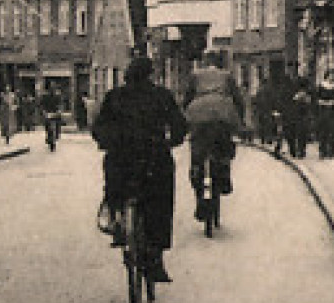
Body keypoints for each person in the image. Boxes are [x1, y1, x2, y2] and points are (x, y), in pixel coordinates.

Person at [92, 54, 189, 283]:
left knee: (114, 184)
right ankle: (156, 255)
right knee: (162, 201)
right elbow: (179, 126)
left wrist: (106, 142)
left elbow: (99, 127)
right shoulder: (161, 97)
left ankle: (115, 219)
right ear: (150, 75)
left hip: (121, 159)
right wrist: (172, 141)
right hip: (154, 159)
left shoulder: (114, 97)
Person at [182, 50, 245, 222]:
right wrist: (241, 121)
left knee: (197, 154)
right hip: (223, 113)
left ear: (204, 62)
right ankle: (224, 175)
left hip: (198, 114)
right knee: (225, 145)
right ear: (220, 62)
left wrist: (186, 116)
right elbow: (238, 100)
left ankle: (198, 190)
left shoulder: (195, 75)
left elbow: (187, 98)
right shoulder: (227, 76)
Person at [313, 68, 334, 159]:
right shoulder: (321, 87)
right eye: (330, 75)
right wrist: (323, 102)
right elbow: (316, 99)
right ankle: (322, 151)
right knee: (323, 131)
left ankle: (332, 150)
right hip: (322, 111)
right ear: (327, 76)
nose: (332, 77)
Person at [283, 74, 313, 159]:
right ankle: (293, 149)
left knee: (302, 132)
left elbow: (311, 96)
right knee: (290, 132)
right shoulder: (286, 83)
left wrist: (306, 98)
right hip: (290, 112)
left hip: (302, 113)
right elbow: (283, 97)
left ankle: (301, 150)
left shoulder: (304, 82)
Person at [253, 68, 283, 150]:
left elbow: (256, 101)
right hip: (267, 110)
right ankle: (268, 139)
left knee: (263, 124)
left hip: (263, 110)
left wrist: (256, 109)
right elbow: (274, 100)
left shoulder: (260, 91)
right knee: (268, 124)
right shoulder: (269, 91)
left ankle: (264, 139)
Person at [39, 83, 64, 151]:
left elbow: (60, 104)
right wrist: (44, 112)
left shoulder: (57, 96)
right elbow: (41, 105)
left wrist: (59, 111)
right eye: (51, 89)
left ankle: (55, 136)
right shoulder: (45, 96)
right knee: (48, 126)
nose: (52, 90)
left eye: (53, 88)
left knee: (57, 125)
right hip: (48, 113)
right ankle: (49, 137)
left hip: (55, 114)